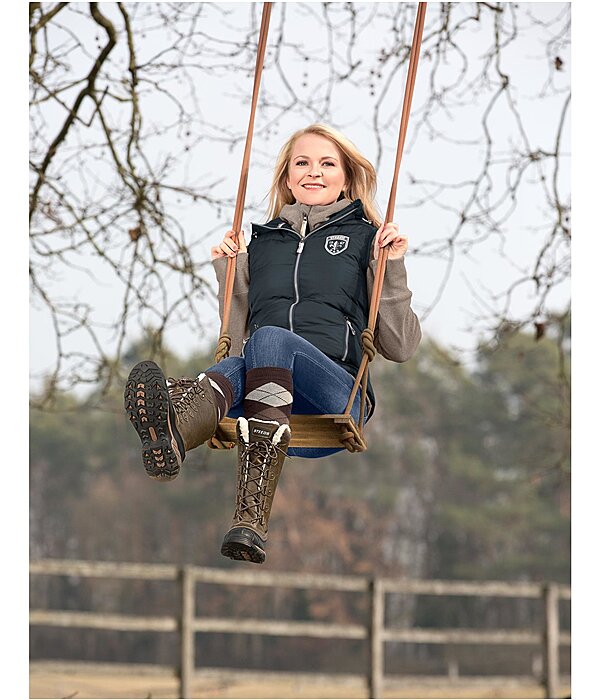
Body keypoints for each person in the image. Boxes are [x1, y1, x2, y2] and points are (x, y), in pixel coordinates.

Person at [125, 124, 421, 564]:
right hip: (271, 406)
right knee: (242, 360)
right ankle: (177, 438)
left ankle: (185, 415)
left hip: (334, 399)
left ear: (345, 176)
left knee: (269, 342)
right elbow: (237, 332)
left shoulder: (366, 239)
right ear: (286, 176)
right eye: (302, 163)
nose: (313, 172)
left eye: (327, 164)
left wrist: (390, 267)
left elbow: (400, 346)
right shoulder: (262, 243)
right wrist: (231, 272)